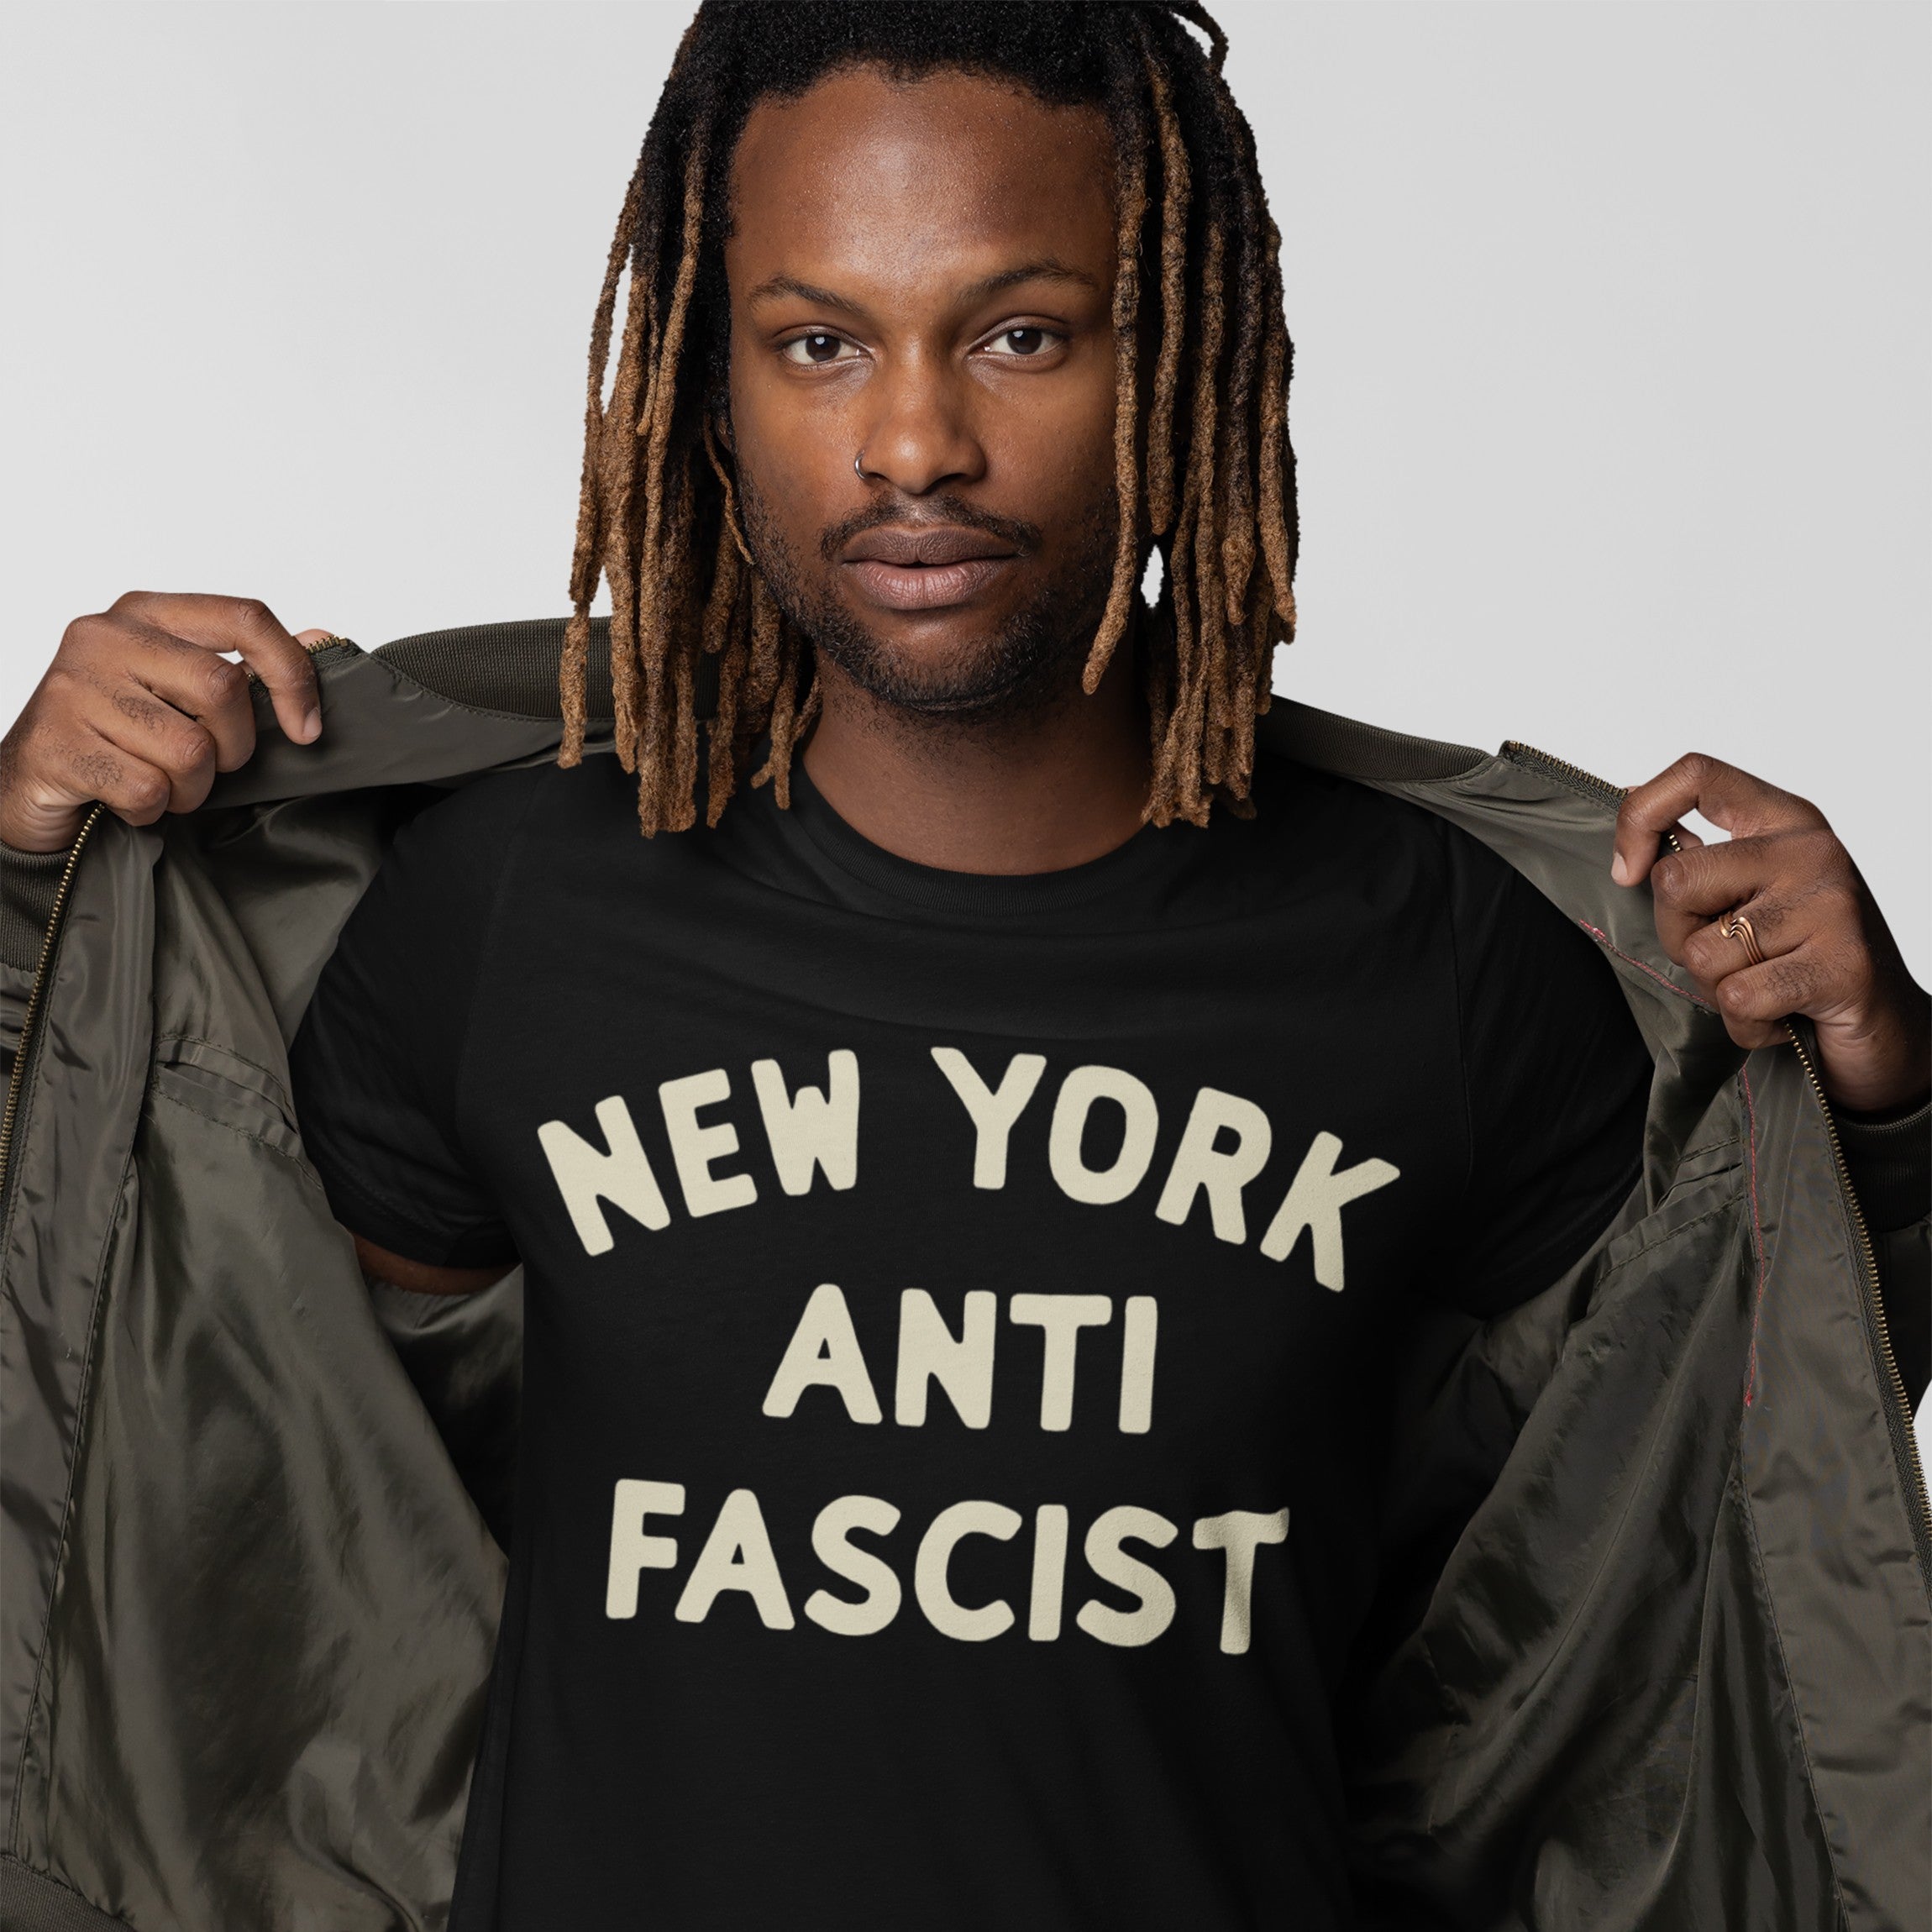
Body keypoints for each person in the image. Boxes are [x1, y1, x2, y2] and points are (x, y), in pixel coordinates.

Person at [0, 6, 1924, 1929]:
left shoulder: (1445, 960)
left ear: (1170, 359)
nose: (914, 442)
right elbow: (142, 1392)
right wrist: (26, 895)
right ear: (705, 381)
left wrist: (1876, 1105)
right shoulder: (507, 910)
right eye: (818, 342)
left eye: (1020, 333)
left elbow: (1710, 1507)